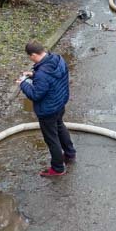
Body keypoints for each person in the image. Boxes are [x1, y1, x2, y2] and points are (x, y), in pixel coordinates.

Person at [18, 40, 75, 177]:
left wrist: (23, 84)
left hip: (48, 110)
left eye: (30, 57)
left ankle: (57, 168)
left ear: (33, 55)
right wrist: (34, 75)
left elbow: (36, 95)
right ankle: (70, 153)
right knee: (60, 126)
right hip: (60, 103)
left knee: (51, 138)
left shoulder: (43, 74)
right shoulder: (57, 60)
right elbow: (50, 79)